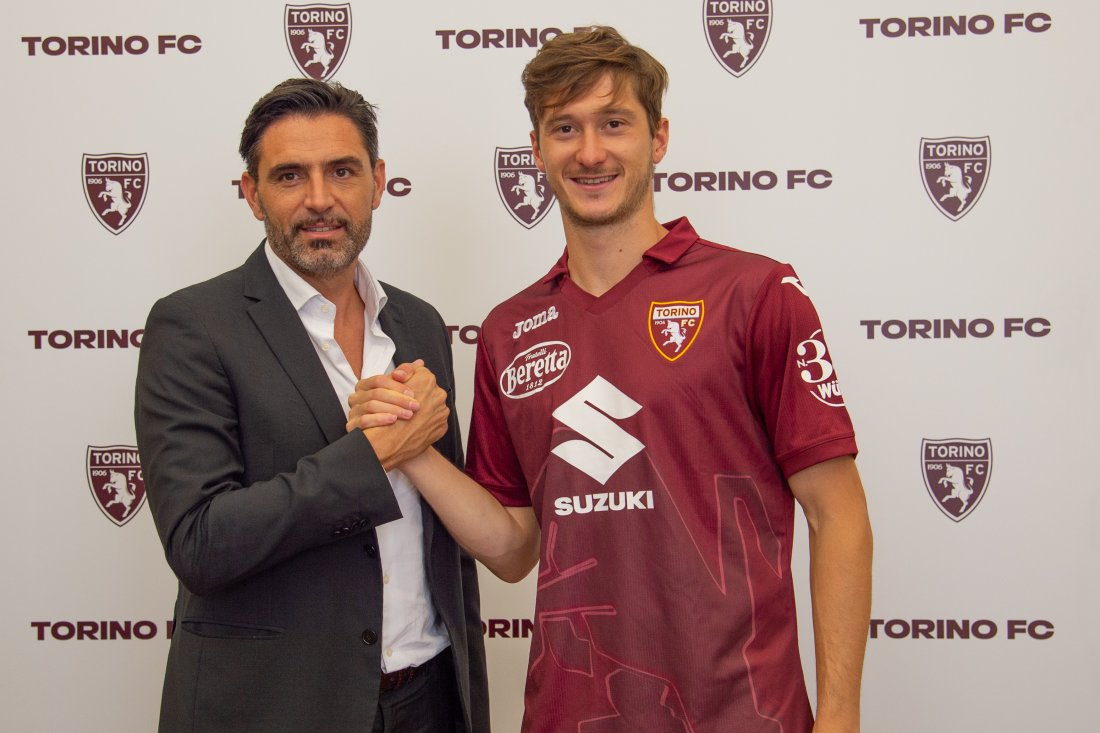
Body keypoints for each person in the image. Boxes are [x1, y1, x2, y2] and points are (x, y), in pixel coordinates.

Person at [351, 26, 873, 732]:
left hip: (742, 712)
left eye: (614, 123)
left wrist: (840, 714)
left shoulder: (755, 292)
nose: (590, 152)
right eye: (565, 128)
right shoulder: (509, 329)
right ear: (537, 149)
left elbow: (837, 514)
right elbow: (514, 548)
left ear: (659, 138)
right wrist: (412, 449)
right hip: (573, 713)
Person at [135, 78, 489, 733]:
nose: (320, 199)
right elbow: (200, 542)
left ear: (378, 182)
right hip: (275, 706)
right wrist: (370, 457)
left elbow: (446, 538)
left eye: (342, 171)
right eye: (290, 175)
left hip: (430, 695)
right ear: (252, 193)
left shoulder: (418, 323)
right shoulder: (193, 326)